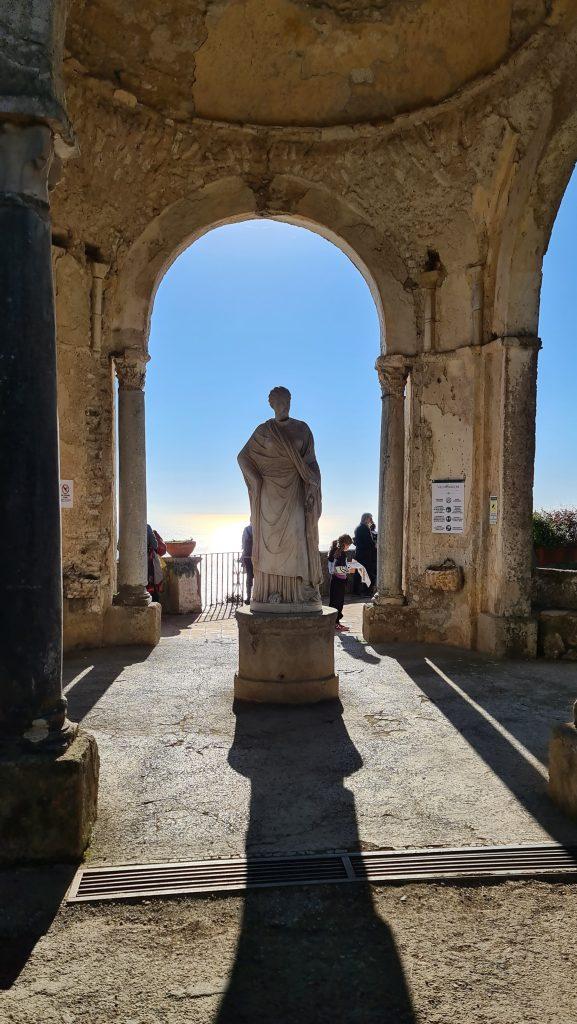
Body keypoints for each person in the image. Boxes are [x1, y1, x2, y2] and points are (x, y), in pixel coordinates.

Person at [237, 386, 323, 609]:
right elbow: (243, 457)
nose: (284, 406)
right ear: (272, 405)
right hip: (268, 495)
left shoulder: (302, 429)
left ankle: (297, 592)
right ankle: (269, 592)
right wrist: (255, 480)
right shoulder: (264, 431)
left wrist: (312, 481)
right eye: (279, 402)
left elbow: (311, 462)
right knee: (270, 545)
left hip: (294, 490)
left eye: (287, 401)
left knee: (296, 538)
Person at [328, 533, 353, 631]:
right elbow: (339, 569)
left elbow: (331, 569)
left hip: (334, 580)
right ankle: (336, 623)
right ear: (345, 544)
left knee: (333, 601)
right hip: (339, 581)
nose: (349, 547)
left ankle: (332, 622)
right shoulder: (341, 554)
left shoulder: (333, 551)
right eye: (349, 545)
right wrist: (351, 569)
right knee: (338, 603)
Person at [353, 512, 377, 595]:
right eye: (370, 518)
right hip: (365, 554)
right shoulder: (363, 528)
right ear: (366, 518)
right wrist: (375, 545)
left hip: (360, 553)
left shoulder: (359, 527)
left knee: (360, 572)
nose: (371, 520)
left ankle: (356, 591)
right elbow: (368, 542)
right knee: (367, 572)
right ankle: (366, 591)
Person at [147, 524, 167, 602]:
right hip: (147, 564)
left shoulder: (126, 526)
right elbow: (155, 545)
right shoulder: (147, 527)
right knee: (151, 588)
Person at [241, 523, 254, 604]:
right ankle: (256, 595)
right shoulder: (261, 528)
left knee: (249, 578)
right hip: (258, 556)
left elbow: (244, 542)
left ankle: (248, 597)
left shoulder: (247, 529)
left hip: (248, 556)